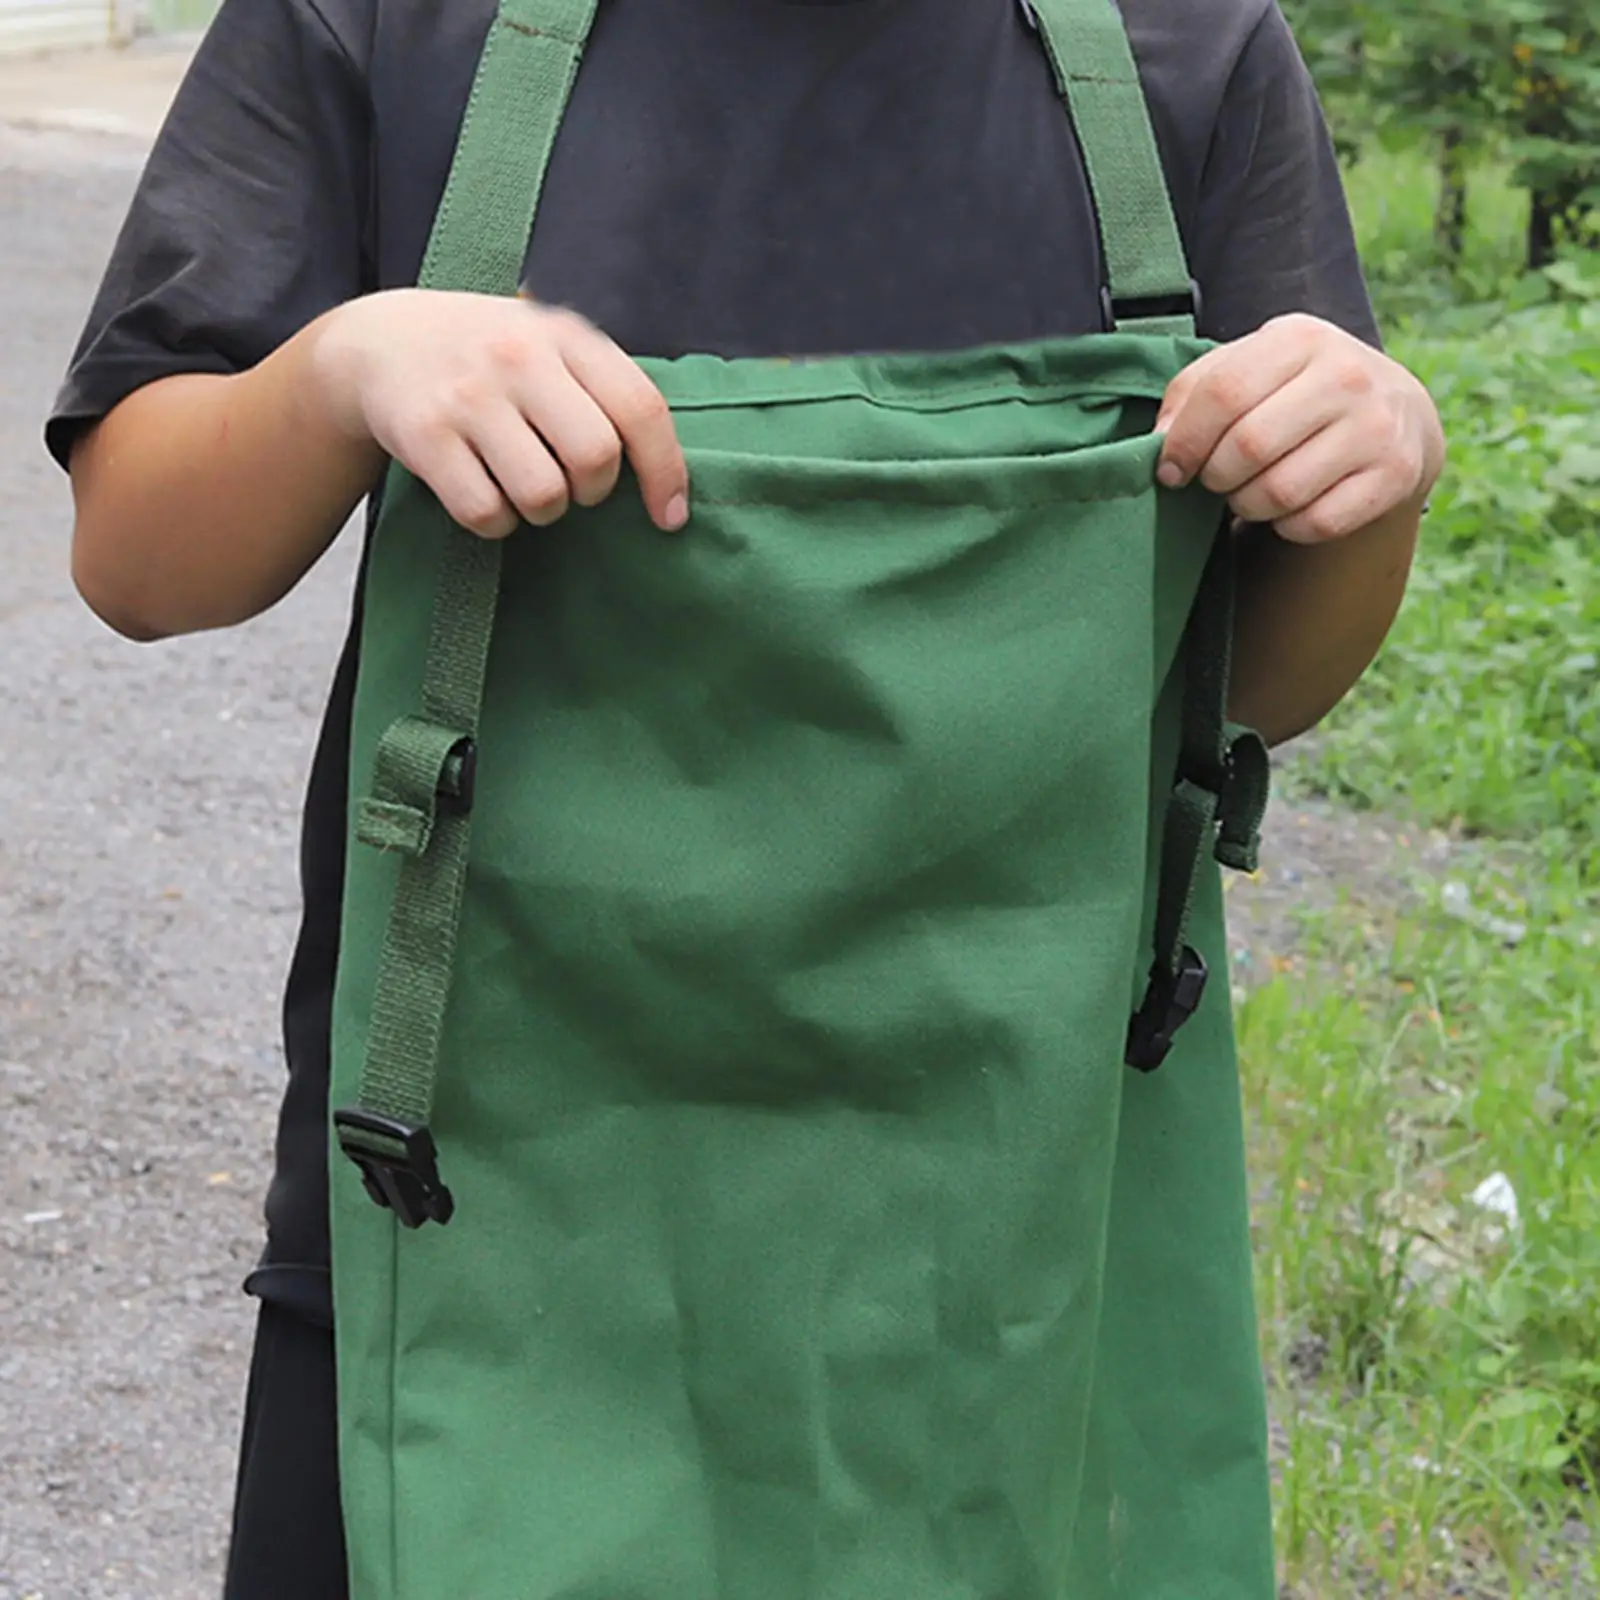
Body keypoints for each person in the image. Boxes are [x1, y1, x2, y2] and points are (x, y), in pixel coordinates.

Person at [50, 0, 1445, 1594]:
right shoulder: (380, 24)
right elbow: (140, 562)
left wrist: (1378, 465)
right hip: (462, 1219)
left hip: (1012, 1239)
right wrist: (341, 365)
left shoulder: (1185, 53)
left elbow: (1247, 690)